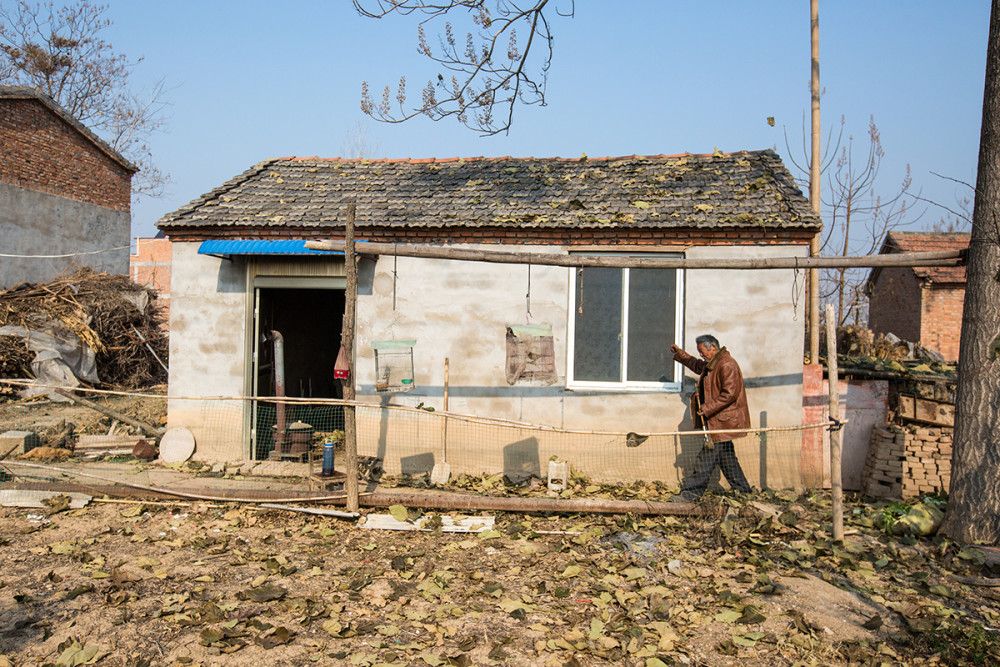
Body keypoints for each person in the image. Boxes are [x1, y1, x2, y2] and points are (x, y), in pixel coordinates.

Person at [670, 335, 752, 500]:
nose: (701, 354)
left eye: (702, 351)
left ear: (713, 347)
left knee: (705, 460)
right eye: (699, 351)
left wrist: (706, 408)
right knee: (728, 460)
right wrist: (681, 354)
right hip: (718, 421)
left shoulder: (727, 365)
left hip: (722, 422)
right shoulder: (714, 364)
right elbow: (697, 365)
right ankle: (744, 493)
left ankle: (690, 495)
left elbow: (730, 394)